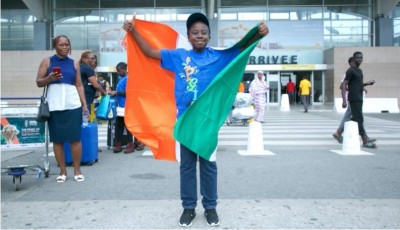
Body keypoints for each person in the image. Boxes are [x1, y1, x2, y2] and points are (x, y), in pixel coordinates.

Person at [123, 12, 268, 227]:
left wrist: (258, 34)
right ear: (189, 37)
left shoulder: (218, 57)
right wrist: (133, 30)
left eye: (203, 32)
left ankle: (210, 208)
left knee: (209, 166)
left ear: (209, 36)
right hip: (186, 121)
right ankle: (188, 208)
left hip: (207, 123)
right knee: (187, 167)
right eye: (195, 32)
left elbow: (240, 49)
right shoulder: (178, 56)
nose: (199, 35)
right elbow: (149, 52)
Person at [35, 35, 88, 183]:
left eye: (67, 44)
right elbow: (39, 82)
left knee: (75, 139)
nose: (64, 47)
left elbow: (79, 84)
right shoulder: (47, 61)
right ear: (55, 46)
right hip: (54, 105)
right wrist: (49, 78)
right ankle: (63, 171)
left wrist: (84, 105)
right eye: (61, 45)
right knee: (57, 140)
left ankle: (77, 171)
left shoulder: (74, 63)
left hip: (73, 104)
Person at [332, 57, 376, 143]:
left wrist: (365, 85)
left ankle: (339, 133)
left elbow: (356, 84)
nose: (358, 62)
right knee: (357, 118)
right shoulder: (349, 72)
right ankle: (339, 133)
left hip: (355, 98)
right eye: (355, 61)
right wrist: (344, 100)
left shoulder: (355, 71)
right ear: (351, 62)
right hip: (352, 98)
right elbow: (342, 86)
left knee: (353, 117)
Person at [110, 62, 144, 153]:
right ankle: (118, 144)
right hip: (120, 106)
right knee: (118, 125)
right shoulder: (121, 79)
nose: (118, 72)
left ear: (124, 69)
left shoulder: (128, 79)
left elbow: (130, 92)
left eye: (119, 71)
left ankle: (130, 144)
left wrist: (116, 92)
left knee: (128, 126)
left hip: (127, 105)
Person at [79, 51, 108, 152]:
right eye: (91, 58)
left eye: (94, 59)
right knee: (86, 123)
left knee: (81, 124)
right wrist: (104, 92)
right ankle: (88, 146)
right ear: (83, 58)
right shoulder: (87, 69)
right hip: (85, 102)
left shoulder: (79, 67)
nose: (93, 60)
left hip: (79, 100)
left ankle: (84, 146)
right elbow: (96, 85)